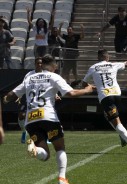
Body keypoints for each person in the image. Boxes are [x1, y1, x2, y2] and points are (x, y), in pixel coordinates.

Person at [3, 54, 95, 184]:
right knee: (60, 147)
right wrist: (87, 90)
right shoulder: (54, 76)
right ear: (52, 65)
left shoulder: (29, 78)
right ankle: (62, 178)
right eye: (56, 65)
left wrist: (5, 99)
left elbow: (12, 94)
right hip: (48, 117)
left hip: (31, 120)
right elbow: (71, 93)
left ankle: (36, 150)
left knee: (44, 155)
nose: (56, 67)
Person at [82, 49, 127, 154]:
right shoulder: (113, 65)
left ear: (98, 58)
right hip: (117, 95)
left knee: (116, 122)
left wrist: (94, 87)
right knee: (108, 115)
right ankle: (122, 136)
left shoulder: (93, 67)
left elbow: (84, 83)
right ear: (107, 57)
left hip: (106, 96)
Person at [17, 57, 43, 144]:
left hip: (42, 100)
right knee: (21, 115)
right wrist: (19, 96)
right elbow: (23, 86)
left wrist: (56, 94)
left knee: (43, 117)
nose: (39, 65)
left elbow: (50, 86)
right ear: (35, 64)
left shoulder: (46, 74)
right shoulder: (29, 74)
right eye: (38, 63)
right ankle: (24, 131)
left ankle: (45, 136)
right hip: (29, 99)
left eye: (41, 63)